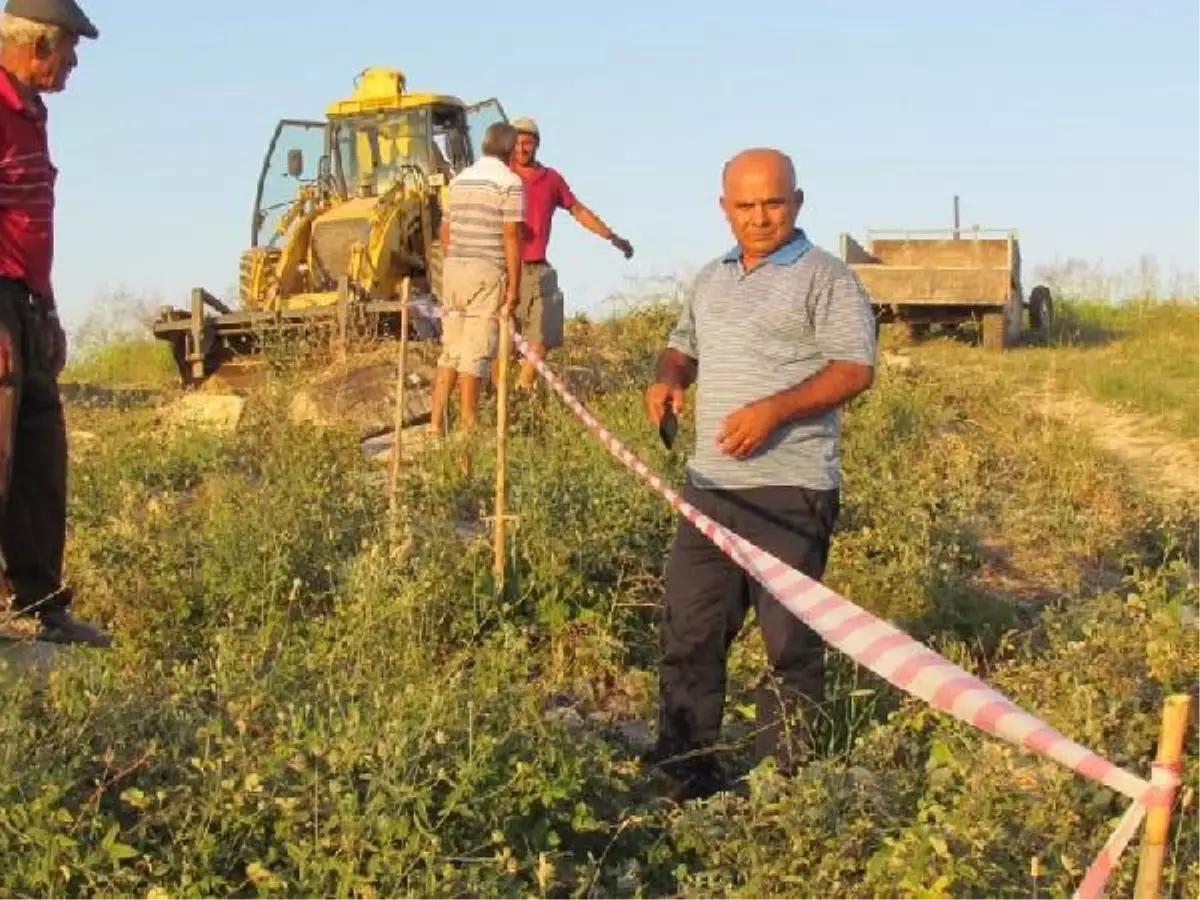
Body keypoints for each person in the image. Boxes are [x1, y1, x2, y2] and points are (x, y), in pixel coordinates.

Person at [642, 148, 877, 801]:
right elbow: (682, 343)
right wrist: (667, 379)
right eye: (744, 206)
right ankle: (685, 774)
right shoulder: (711, 278)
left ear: (797, 203)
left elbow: (855, 367)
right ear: (725, 209)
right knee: (690, 631)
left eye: (773, 203)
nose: (760, 218)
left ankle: (791, 790)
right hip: (709, 489)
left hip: (790, 492)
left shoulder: (826, 278)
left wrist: (775, 409)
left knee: (788, 646)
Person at [0, 0, 109, 647]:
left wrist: (47, 309)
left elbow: (26, 227)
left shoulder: (28, 113)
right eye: (70, 49)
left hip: (25, 303)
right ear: (41, 43)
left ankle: (41, 604)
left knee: (41, 454)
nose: (72, 63)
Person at [506, 116, 633, 390]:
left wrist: (611, 236)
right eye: (516, 143)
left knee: (543, 335)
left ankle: (521, 390)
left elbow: (578, 209)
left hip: (538, 268)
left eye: (526, 143)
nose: (521, 149)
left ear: (536, 145)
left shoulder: (551, 179)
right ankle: (501, 403)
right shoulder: (502, 176)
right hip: (505, 267)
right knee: (502, 342)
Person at [430, 121, 523, 434]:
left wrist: (455, 260)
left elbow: (445, 230)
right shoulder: (509, 182)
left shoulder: (459, 181)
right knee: (477, 351)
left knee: (451, 349)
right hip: (487, 270)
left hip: (454, 269)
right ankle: (469, 425)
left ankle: (435, 425)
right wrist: (514, 287)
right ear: (510, 150)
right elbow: (511, 235)